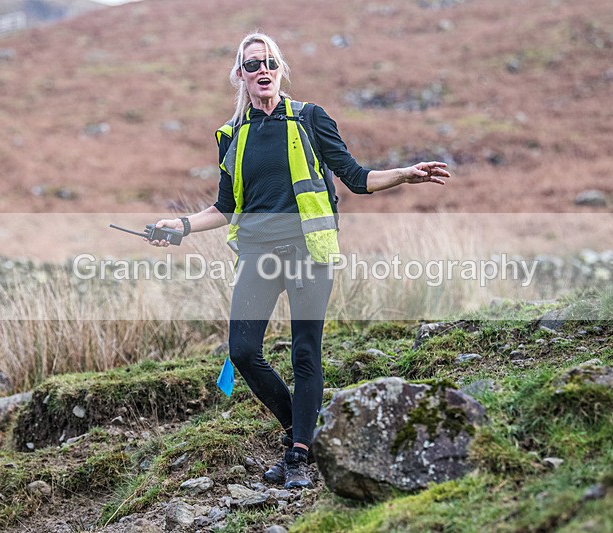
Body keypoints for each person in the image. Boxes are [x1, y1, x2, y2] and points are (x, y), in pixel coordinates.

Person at [149, 32, 450, 490]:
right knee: (243, 352)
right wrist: (183, 226)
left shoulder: (311, 118)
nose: (263, 70)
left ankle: (299, 454)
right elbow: (227, 206)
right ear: (240, 76)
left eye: (270, 61)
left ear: (280, 68)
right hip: (257, 255)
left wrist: (405, 174)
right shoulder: (232, 135)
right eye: (253, 65)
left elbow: (356, 177)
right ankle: (301, 433)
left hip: (310, 252)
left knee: (305, 352)